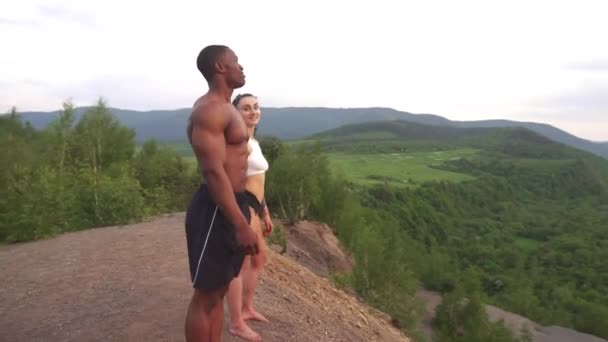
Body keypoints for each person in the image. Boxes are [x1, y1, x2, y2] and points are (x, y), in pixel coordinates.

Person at [184, 45, 259, 342]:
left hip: (232, 205)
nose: (241, 67)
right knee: (206, 297)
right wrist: (240, 224)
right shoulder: (210, 109)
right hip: (217, 208)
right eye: (236, 62)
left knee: (220, 289)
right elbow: (213, 171)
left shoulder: (226, 108)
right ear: (219, 67)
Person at [225, 94, 273, 342]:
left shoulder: (253, 140)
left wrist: (264, 209)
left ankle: (246, 308)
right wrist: (245, 213)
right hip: (244, 205)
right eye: (246, 108)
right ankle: (236, 322)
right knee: (240, 264)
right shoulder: (238, 140)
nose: (253, 111)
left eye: (256, 107)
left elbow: (258, 180)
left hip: (256, 204)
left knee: (258, 257)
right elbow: (232, 178)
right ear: (235, 113)